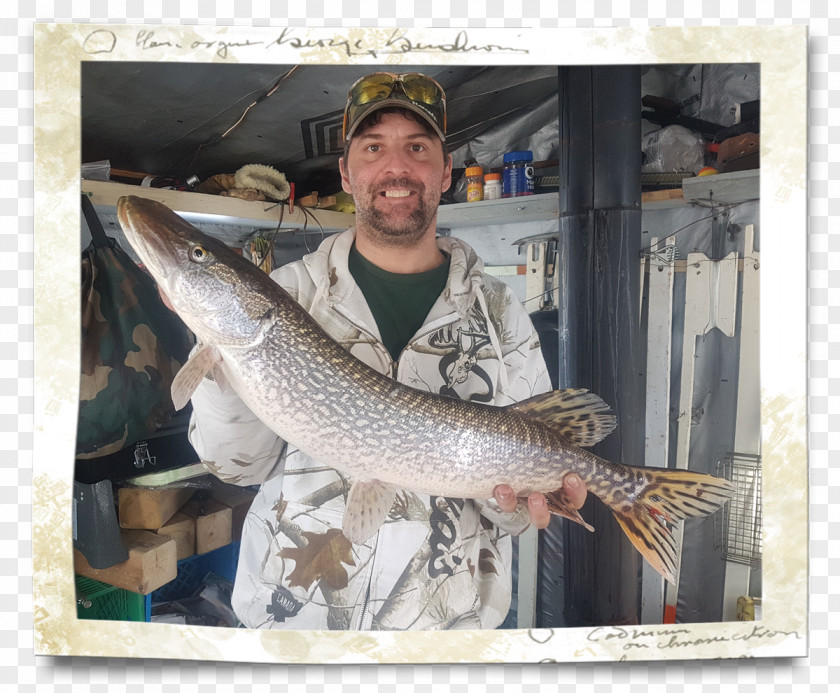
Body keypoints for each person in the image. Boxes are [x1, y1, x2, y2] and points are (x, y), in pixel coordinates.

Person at [187, 71, 587, 630]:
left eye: (417, 148)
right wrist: (217, 350)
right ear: (347, 175)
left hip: (445, 635)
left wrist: (518, 502)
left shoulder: (500, 311)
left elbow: (514, 509)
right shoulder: (290, 294)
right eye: (374, 148)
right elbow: (236, 466)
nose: (396, 168)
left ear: (445, 172)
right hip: (298, 625)